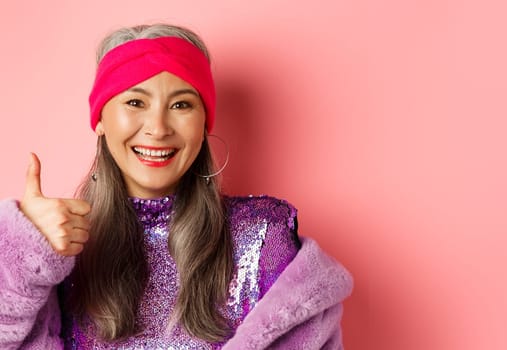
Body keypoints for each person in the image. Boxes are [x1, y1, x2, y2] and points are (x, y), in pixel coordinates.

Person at [0, 23, 353, 349]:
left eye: (181, 104)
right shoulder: (60, 244)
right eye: (135, 102)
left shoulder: (263, 236)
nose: (158, 127)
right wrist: (22, 250)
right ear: (101, 120)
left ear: (203, 123)